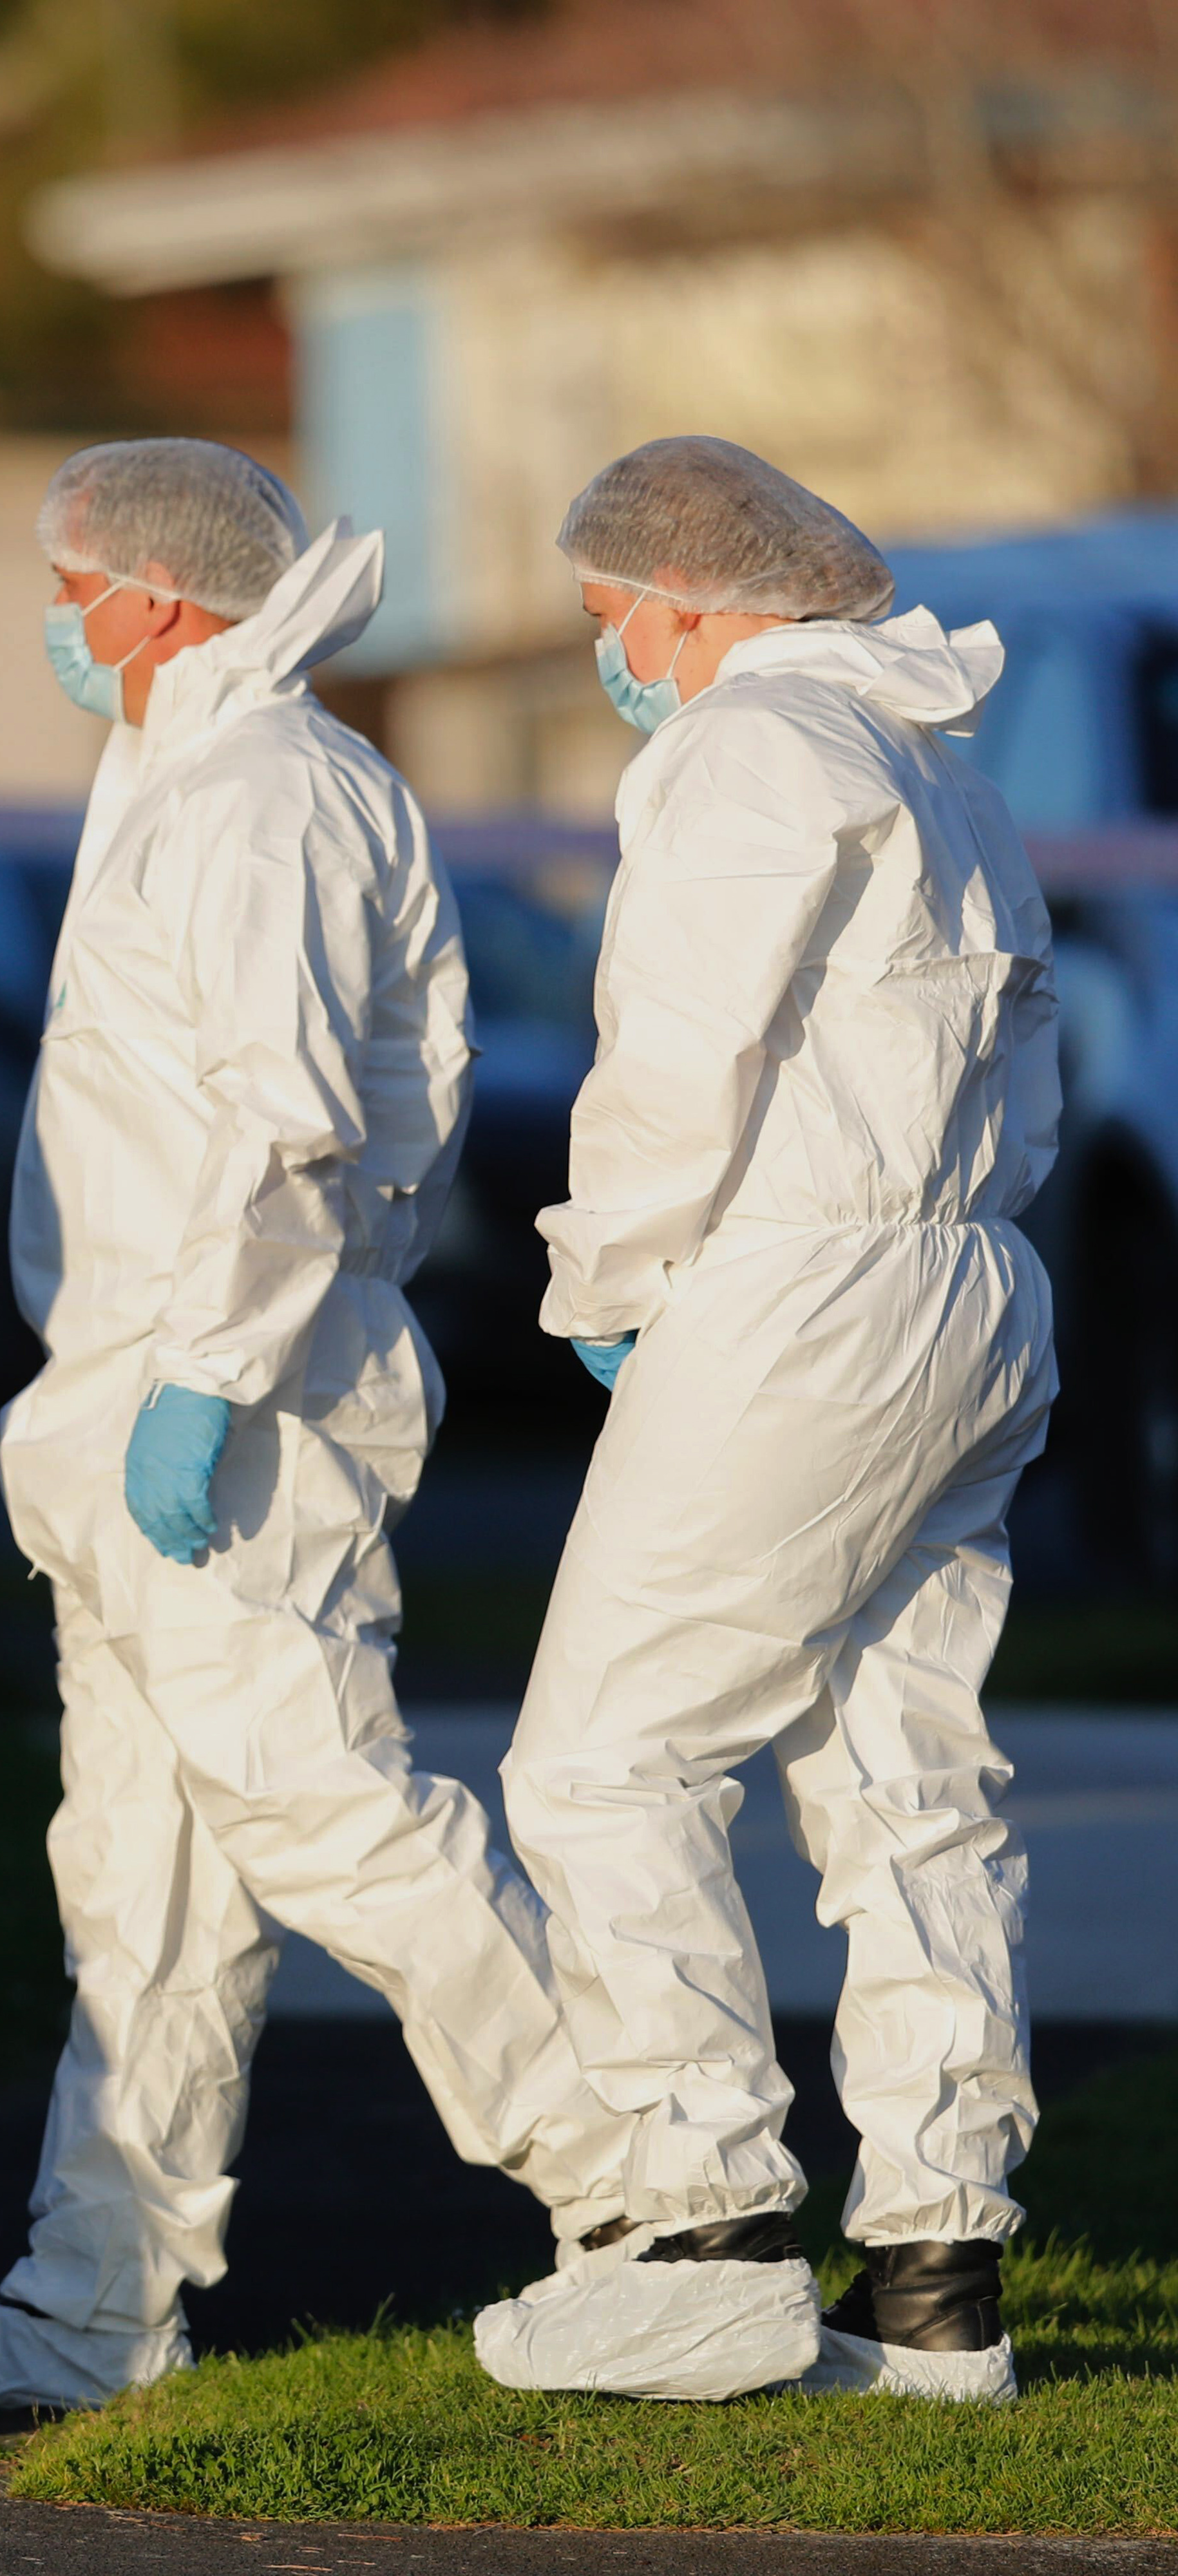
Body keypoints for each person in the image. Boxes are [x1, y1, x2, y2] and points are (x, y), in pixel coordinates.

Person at [0, 440, 625, 2414]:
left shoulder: (260, 794)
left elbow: (293, 1124)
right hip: (133, 1381)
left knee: (325, 1809)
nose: (48, 614)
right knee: (139, 1873)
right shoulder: (188, 768)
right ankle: (90, 2294)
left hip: (239, 1387)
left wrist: (200, 1382)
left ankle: (649, 2195)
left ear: (158, 597)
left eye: (64, 578)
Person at [472, 438, 1056, 2407]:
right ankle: (932, 2284)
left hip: (797, 1291)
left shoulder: (737, 755)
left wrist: (600, 1279)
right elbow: (1023, 1069)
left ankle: (706, 2229)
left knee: (595, 1765)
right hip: (967, 1283)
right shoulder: (941, 769)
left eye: (609, 614)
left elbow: (674, 1055)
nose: (608, 652)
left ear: (700, 599)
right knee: (901, 1776)